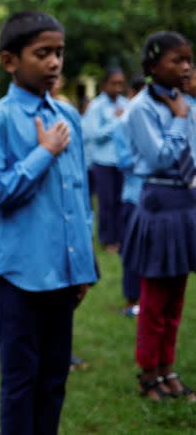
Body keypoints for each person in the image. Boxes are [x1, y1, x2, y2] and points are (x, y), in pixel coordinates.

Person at [0, 11, 98, 434]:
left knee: (53, 378)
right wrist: (42, 153)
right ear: (10, 61)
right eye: (42, 53)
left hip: (63, 274)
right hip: (21, 276)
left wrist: (82, 264)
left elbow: (79, 196)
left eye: (59, 53)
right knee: (20, 381)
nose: (54, 63)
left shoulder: (71, 117)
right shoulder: (0, 119)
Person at [122, 31, 196, 402]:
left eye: (189, 60)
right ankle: (148, 373)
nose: (186, 67)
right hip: (157, 203)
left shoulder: (186, 103)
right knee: (154, 299)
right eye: (177, 61)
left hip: (185, 203)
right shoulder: (141, 109)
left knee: (176, 297)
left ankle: (168, 368)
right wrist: (181, 121)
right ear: (152, 67)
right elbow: (158, 158)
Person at [83, 68, 129, 253]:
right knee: (106, 202)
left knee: (121, 201)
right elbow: (93, 134)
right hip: (103, 162)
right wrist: (116, 122)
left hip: (122, 161)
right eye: (114, 83)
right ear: (105, 85)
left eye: (121, 83)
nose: (118, 87)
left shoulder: (125, 103)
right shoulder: (96, 106)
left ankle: (120, 237)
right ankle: (107, 240)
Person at [112, 82, 143, 317]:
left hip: (158, 199)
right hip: (134, 196)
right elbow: (124, 161)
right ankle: (132, 301)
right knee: (133, 251)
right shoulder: (124, 122)